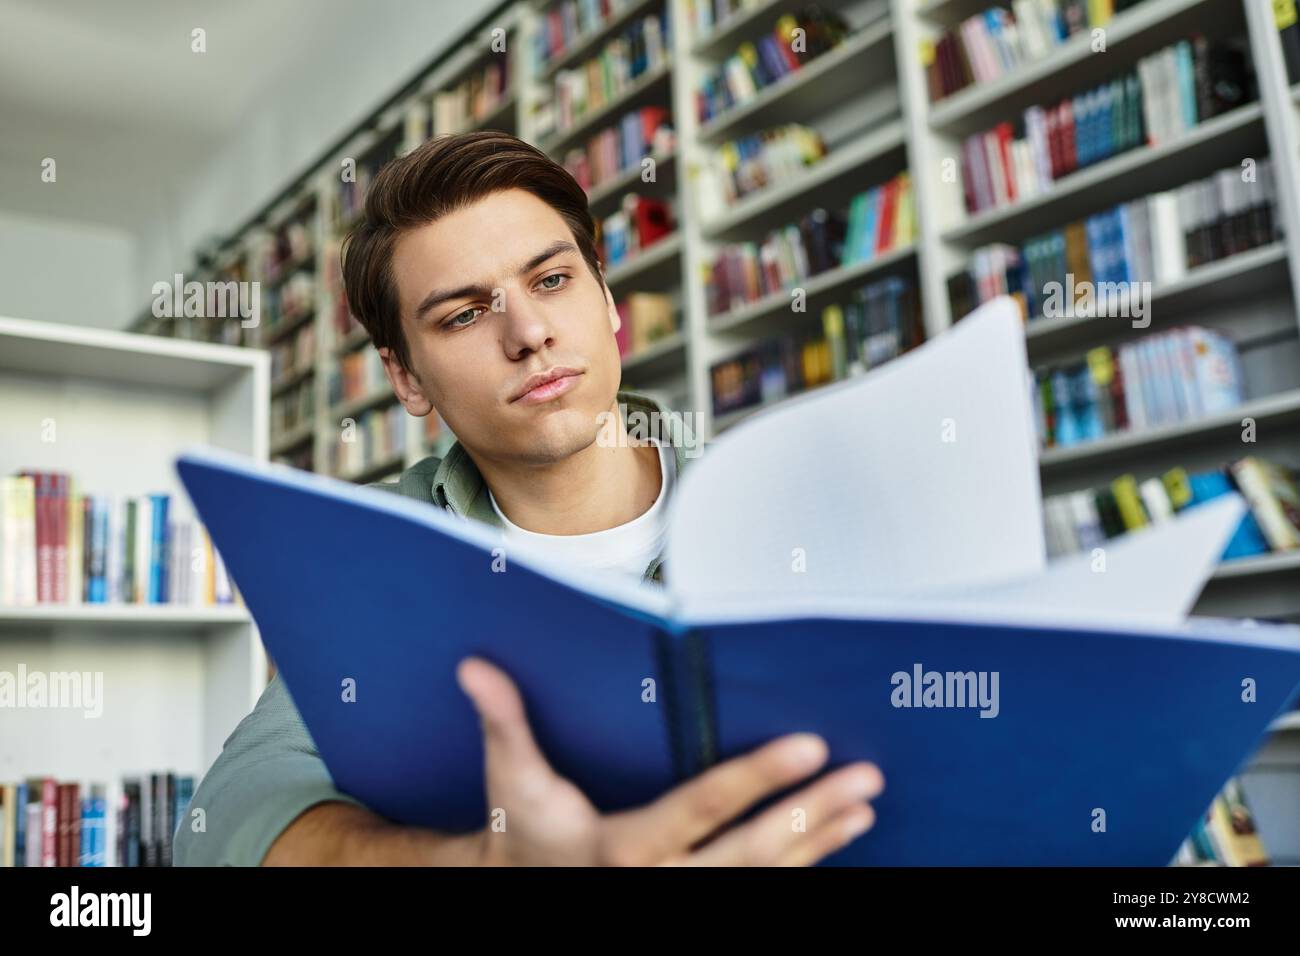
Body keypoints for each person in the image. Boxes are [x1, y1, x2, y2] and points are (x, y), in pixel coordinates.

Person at [174, 131, 884, 866]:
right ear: (407, 379)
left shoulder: (785, 497)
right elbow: (231, 815)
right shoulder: (378, 545)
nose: (529, 334)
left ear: (606, 299)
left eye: (550, 280)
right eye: (463, 315)